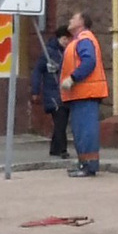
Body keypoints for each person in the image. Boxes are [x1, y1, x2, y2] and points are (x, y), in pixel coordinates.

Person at [60, 11, 109, 177]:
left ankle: (89, 166)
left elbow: (89, 62)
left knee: (86, 131)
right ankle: (84, 164)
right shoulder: (78, 41)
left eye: (73, 18)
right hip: (81, 94)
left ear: (81, 22)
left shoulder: (84, 39)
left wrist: (73, 78)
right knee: (80, 131)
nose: (70, 20)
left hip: (86, 93)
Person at [30, 25, 72, 158]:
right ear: (59, 38)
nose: (66, 41)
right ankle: (63, 150)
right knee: (60, 120)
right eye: (65, 39)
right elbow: (37, 71)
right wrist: (35, 90)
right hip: (52, 93)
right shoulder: (48, 53)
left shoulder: (67, 52)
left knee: (62, 121)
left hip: (65, 92)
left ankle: (54, 149)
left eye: (68, 39)